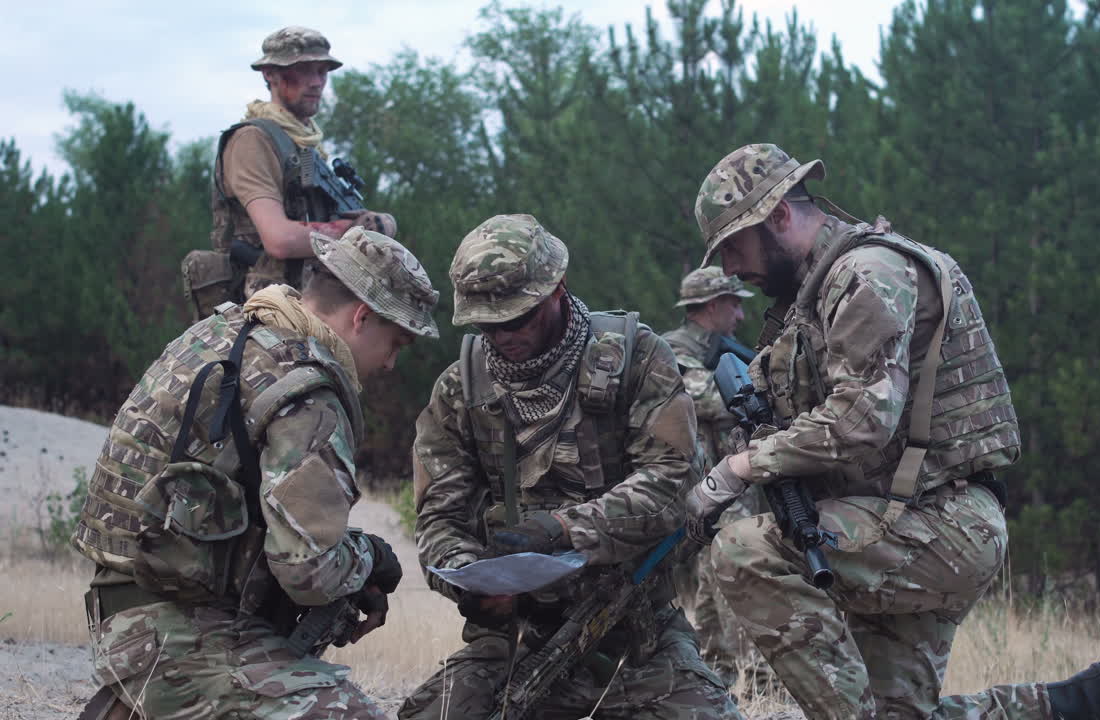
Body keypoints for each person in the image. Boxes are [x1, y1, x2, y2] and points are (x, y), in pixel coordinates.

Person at [683, 144, 1100, 720]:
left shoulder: (867, 275)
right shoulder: (813, 300)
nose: (726, 270)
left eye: (733, 247)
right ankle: (1072, 706)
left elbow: (861, 421)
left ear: (777, 217)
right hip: (895, 519)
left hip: (940, 524)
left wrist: (740, 469)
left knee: (742, 551)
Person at [75, 226, 439, 719]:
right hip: (176, 634)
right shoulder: (308, 390)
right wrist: (369, 557)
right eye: (395, 343)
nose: (391, 364)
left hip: (121, 610)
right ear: (362, 316)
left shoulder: (221, 333)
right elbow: (309, 571)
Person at [399, 214, 740, 720]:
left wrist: (563, 529)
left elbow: (672, 484)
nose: (501, 336)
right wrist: (474, 584)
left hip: (634, 636)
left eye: (515, 318)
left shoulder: (635, 358)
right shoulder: (461, 389)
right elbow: (438, 521)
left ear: (557, 289)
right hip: (516, 643)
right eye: (486, 324)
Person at [194, 26, 398, 318]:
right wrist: (355, 230)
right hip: (260, 311)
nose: (316, 82)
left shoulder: (305, 146)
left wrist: (374, 225)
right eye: (304, 70)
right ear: (269, 74)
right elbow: (280, 239)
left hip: (307, 304)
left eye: (322, 71)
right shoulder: (253, 139)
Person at [662, 266, 769, 688]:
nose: (740, 315)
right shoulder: (674, 351)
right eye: (733, 303)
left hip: (726, 486)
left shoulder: (717, 350)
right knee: (730, 576)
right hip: (704, 488)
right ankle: (749, 675)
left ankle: (722, 671)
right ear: (710, 306)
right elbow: (710, 400)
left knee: (716, 578)